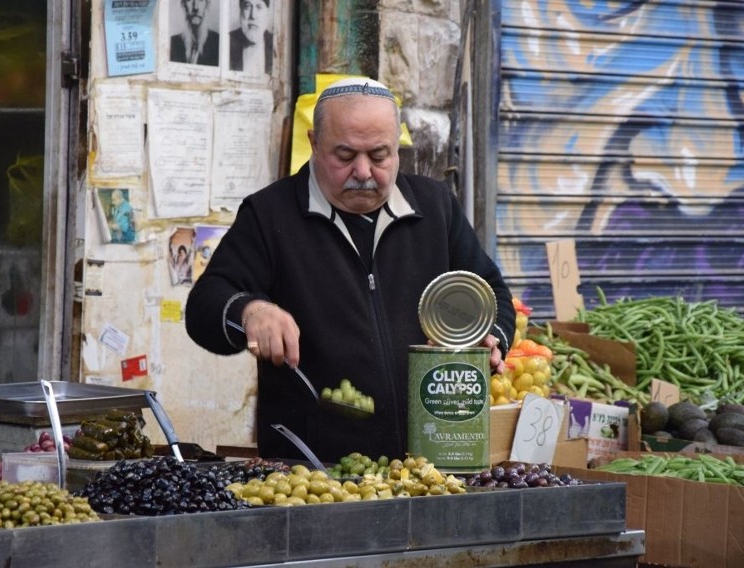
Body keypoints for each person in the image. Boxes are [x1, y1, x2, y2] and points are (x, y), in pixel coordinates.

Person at [185, 77, 515, 463]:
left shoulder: (435, 208)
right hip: (311, 470)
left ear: (397, 148)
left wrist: (489, 338)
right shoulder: (270, 214)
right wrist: (252, 311)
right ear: (314, 143)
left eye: (380, 156)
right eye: (344, 156)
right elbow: (205, 305)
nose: (363, 171)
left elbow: (491, 293)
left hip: (428, 463)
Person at [170, 0, 219, 66]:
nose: (196, 7)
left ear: (207, 4)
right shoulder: (172, 43)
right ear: (183, 4)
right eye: (189, 0)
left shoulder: (218, 43)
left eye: (201, 0)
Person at [229, 0, 273, 73]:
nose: (253, 15)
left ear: (267, 13)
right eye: (247, 6)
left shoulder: (276, 44)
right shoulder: (227, 41)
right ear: (240, 11)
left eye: (259, 7)